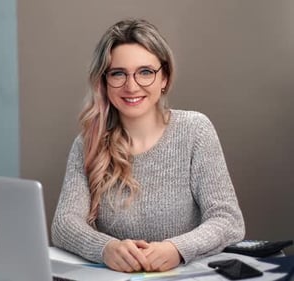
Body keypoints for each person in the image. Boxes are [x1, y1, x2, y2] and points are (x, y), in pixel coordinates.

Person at [51, 18, 245, 273]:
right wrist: (106, 248)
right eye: (118, 73)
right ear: (105, 81)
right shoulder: (89, 142)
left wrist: (176, 249)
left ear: (164, 77)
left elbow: (228, 220)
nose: (132, 86)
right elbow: (64, 224)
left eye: (145, 72)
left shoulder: (195, 130)